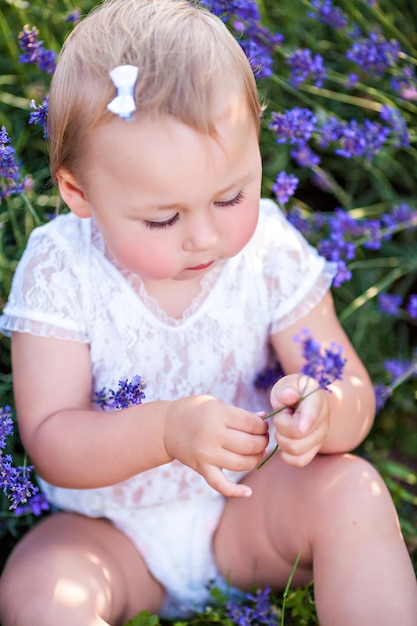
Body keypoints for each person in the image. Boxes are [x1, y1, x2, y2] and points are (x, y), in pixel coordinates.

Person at [0, 0, 416, 624]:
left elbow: (349, 386)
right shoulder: (60, 268)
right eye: (163, 217)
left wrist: (324, 411)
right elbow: (53, 439)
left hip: (248, 514)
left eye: (230, 197)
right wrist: (166, 430)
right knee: (38, 588)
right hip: (111, 533)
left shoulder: (269, 251)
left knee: (351, 491)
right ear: (78, 193)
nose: (204, 238)